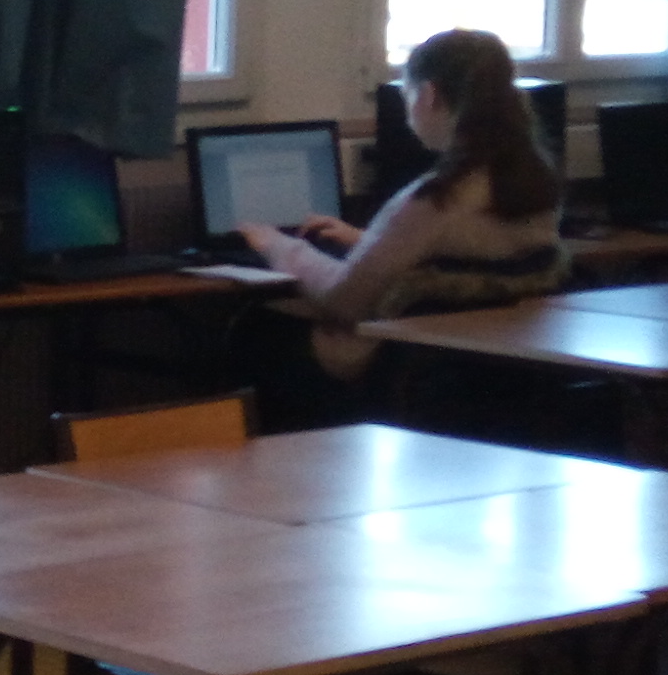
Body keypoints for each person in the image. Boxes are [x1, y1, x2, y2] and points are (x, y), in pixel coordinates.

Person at [238, 27, 565, 421]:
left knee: (254, 329)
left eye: (407, 95)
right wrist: (367, 240)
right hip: (489, 376)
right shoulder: (534, 181)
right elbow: (469, 252)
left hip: (391, 367)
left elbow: (344, 299)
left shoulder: (438, 197)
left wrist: (278, 246)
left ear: (428, 95)